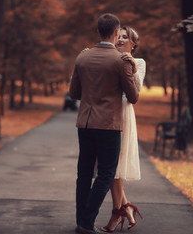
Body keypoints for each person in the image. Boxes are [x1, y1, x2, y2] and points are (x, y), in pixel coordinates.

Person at [69, 14, 139, 234]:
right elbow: (134, 97)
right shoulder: (120, 60)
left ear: (98, 31)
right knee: (106, 174)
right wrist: (132, 70)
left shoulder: (82, 57)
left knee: (83, 174)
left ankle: (82, 221)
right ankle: (87, 222)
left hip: (85, 124)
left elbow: (74, 93)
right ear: (116, 32)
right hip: (108, 126)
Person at [100, 26, 146, 233]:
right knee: (112, 168)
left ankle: (117, 214)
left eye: (125, 37)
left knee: (113, 169)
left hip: (124, 116)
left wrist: (133, 69)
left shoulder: (139, 63)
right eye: (118, 36)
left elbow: (134, 95)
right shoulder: (109, 60)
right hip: (108, 115)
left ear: (133, 44)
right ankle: (126, 209)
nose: (120, 40)